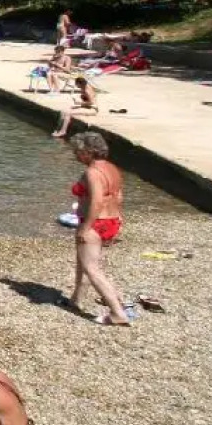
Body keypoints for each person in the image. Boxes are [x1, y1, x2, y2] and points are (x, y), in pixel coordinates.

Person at [67, 132, 131, 326]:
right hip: (110, 220)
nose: (75, 155)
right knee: (83, 260)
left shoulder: (92, 172)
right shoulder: (112, 168)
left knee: (92, 268)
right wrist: (118, 217)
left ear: (88, 152)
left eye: (78, 152)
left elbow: (96, 201)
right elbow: (118, 196)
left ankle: (117, 312)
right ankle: (76, 299)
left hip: (95, 222)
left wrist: (85, 228)